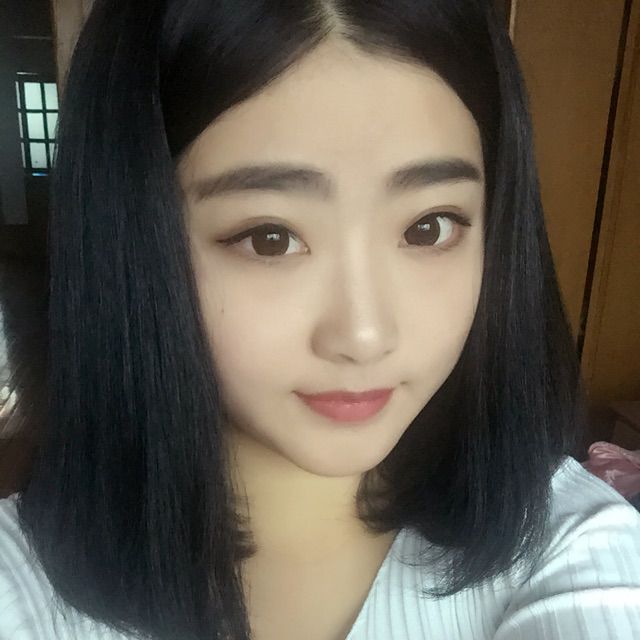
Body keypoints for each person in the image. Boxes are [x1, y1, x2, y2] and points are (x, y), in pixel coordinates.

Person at [1, 0, 639, 638]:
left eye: (429, 227)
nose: (364, 336)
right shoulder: (21, 584)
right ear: (129, 239)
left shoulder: (573, 545)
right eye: (270, 238)